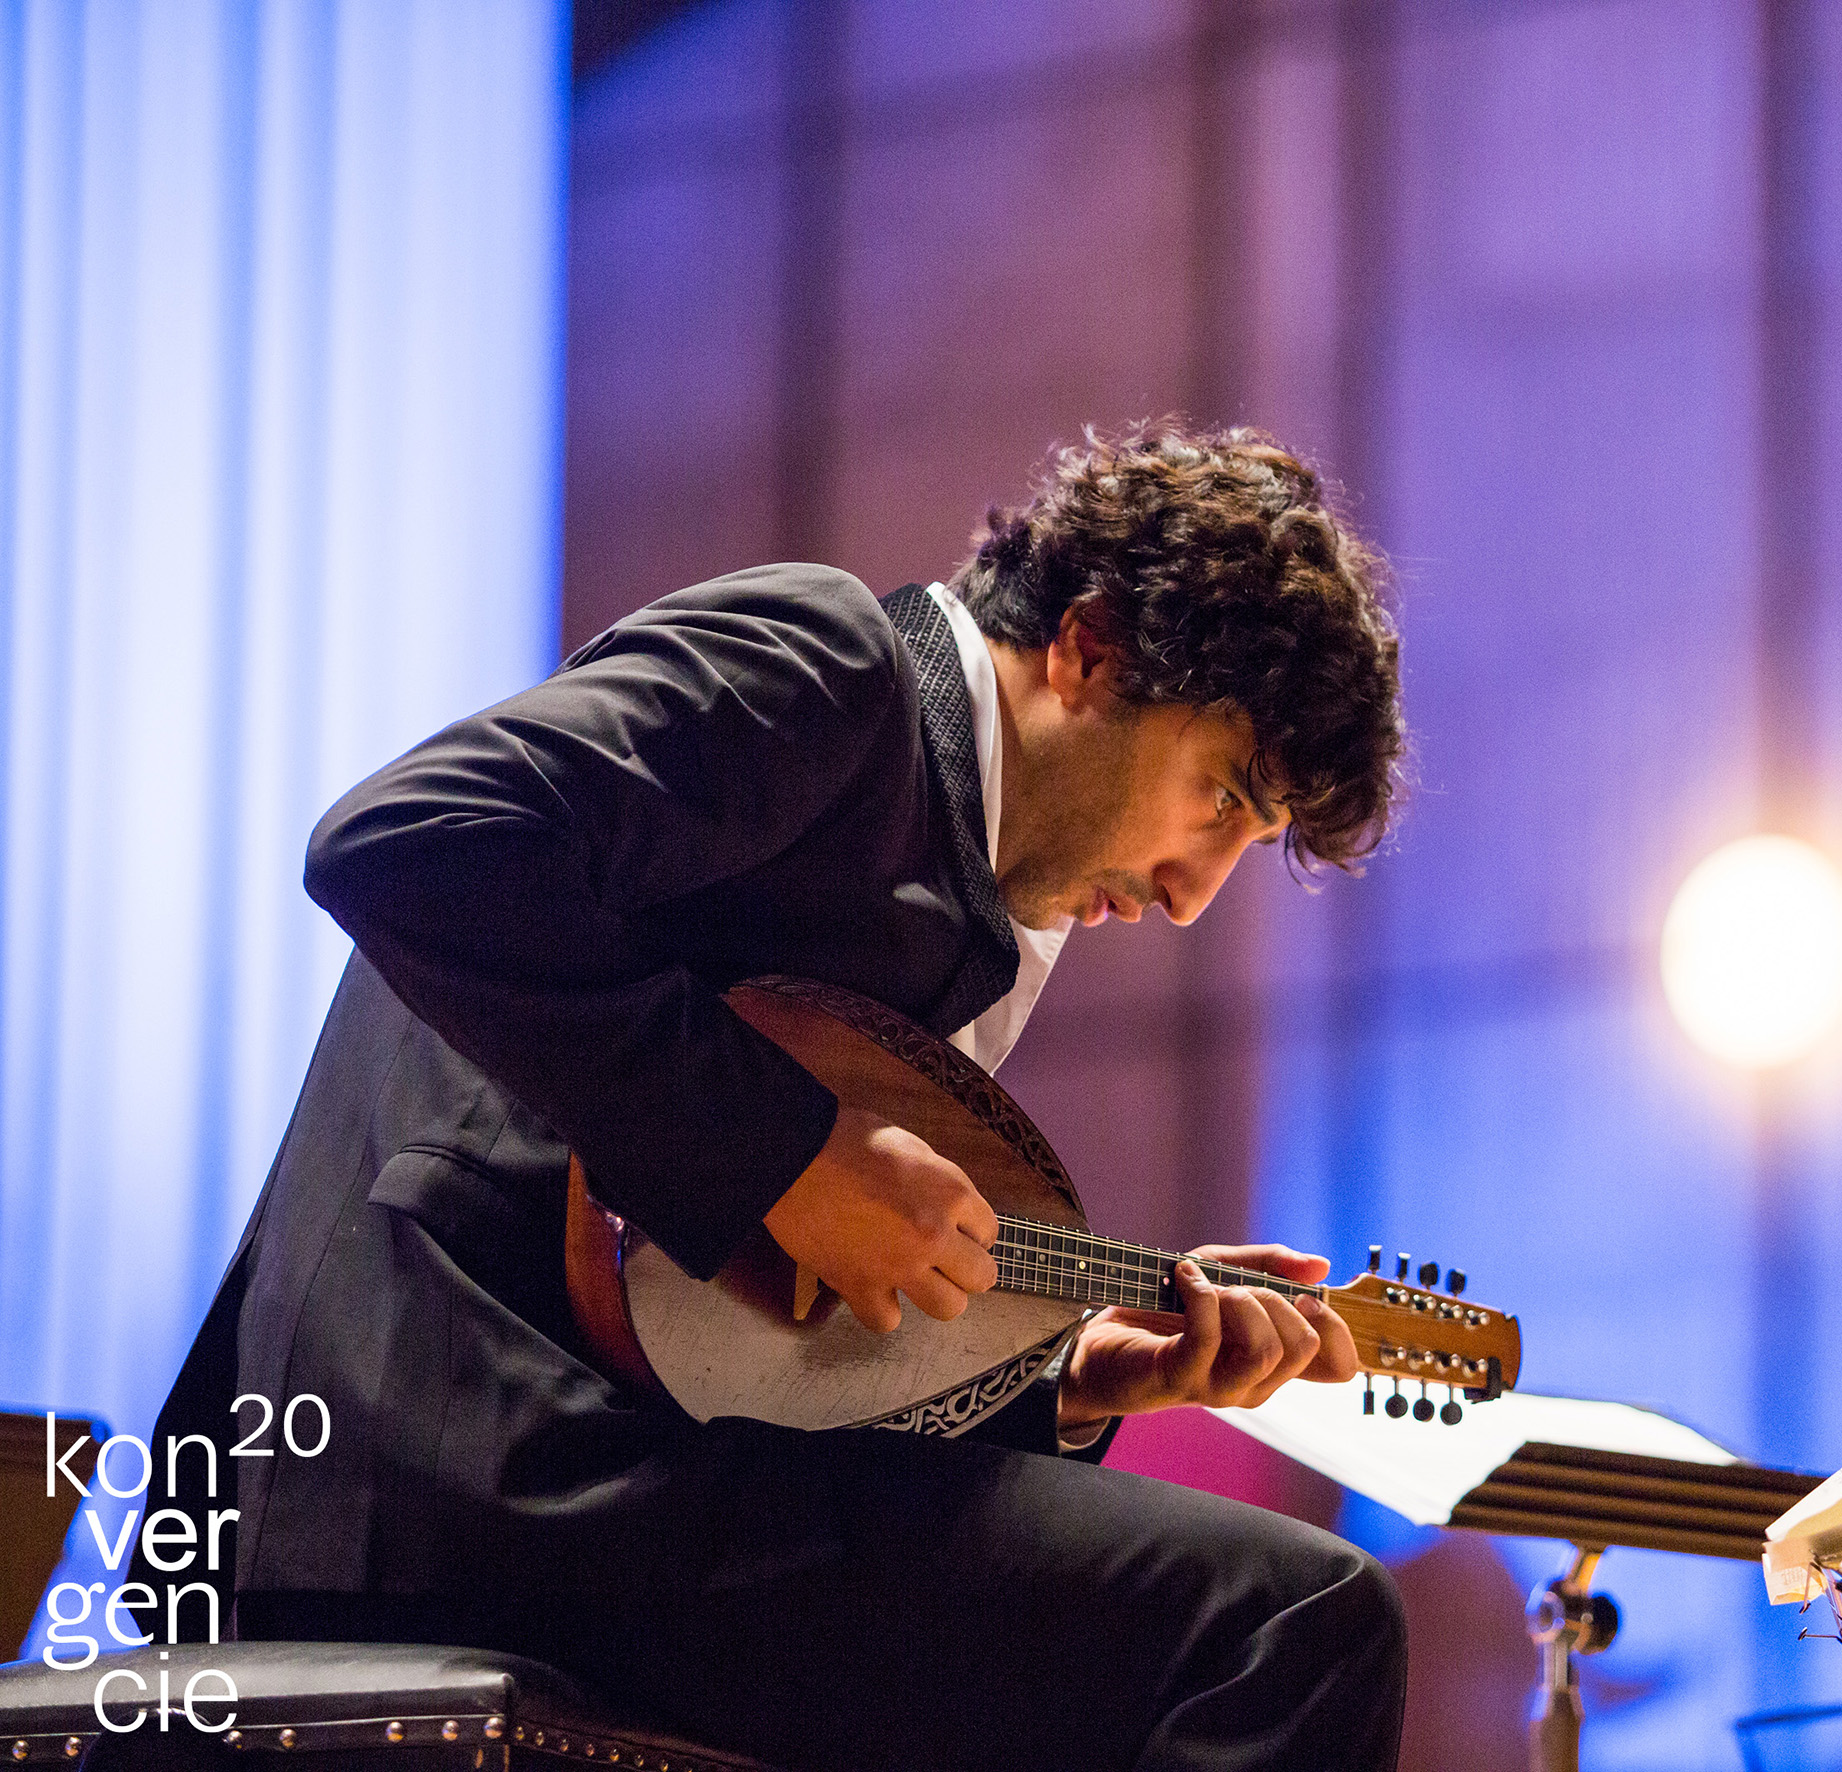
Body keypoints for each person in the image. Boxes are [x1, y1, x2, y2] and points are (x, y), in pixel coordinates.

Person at [136, 424, 1413, 1771]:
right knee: (1290, 1625)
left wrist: (1076, 1381)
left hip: (599, 1479)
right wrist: (793, 1155)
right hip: (449, 1469)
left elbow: (736, 1324)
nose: (1195, 893)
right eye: (1219, 797)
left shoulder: (961, 889)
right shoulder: (828, 663)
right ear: (1089, 649)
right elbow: (404, 838)